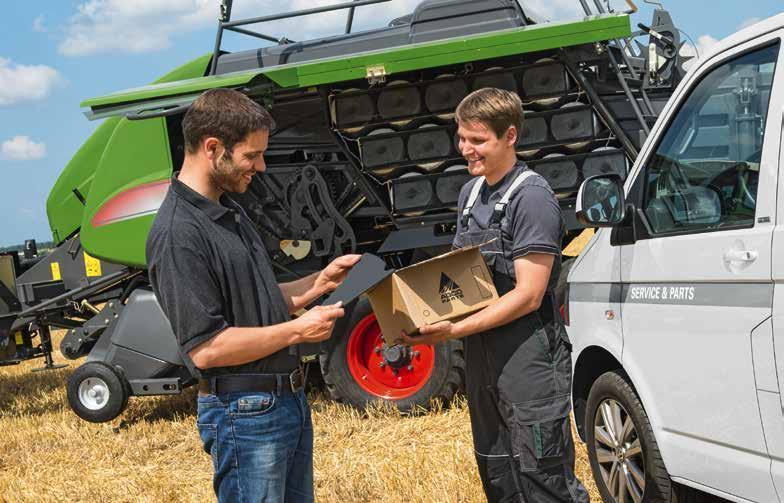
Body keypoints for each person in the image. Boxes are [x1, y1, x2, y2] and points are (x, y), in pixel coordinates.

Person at [146, 88, 360, 503]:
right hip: (244, 413)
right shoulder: (178, 235)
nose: (260, 167)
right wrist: (297, 332)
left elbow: (256, 300)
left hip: (282, 401)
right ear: (213, 148)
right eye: (251, 155)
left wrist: (318, 283)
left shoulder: (228, 210)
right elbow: (207, 349)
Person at [400, 88, 589, 503]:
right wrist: (413, 308)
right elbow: (459, 278)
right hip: (484, 361)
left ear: (510, 136)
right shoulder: (471, 195)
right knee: (498, 472)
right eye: (462, 138)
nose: (466, 149)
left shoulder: (531, 198)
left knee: (544, 480)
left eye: (478, 140)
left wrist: (453, 330)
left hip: (530, 361)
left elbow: (528, 295)